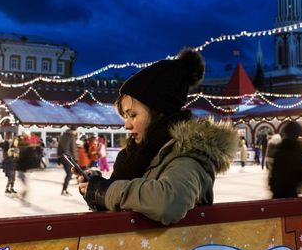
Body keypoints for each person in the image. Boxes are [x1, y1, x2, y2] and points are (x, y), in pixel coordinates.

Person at [77, 48, 237, 225]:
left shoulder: (188, 155)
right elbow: (127, 204)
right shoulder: (141, 156)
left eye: (133, 115)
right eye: (126, 116)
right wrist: (95, 188)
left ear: (159, 112)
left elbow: (169, 203)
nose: (127, 125)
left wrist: (106, 191)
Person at [57, 128, 77, 196]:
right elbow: (73, 148)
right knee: (69, 174)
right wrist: (76, 159)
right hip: (68, 157)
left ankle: (64, 189)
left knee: (69, 174)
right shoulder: (71, 136)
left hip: (62, 157)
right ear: (73, 131)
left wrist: (59, 159)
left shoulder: (62, 136)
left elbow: (59, 148)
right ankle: (64, 190)